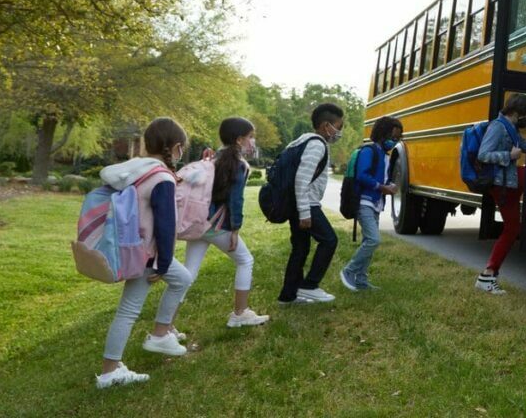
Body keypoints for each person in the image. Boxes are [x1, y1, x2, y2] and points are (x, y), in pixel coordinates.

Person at [96, 117, 195, 389]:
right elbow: (165, 225)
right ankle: (114, 369)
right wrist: (163, 263)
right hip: (147, 254)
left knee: (182, 279)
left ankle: (157, 336)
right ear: (176, 148)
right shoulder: (162, 178)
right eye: (182, 148)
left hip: (132, 247)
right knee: (129, 310)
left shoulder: (136, 170)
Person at [178, 117, 269, 328]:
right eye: (250, 137)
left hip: (200, 222)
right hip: (218, 225)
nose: (253, 141)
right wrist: (235, 229)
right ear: (239, 140)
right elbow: (235, 200)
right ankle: (240, 313)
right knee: (245, 261)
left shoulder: (212, 159)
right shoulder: (238, 165)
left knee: (189, 272)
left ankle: (166, 327)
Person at [278, 103, 343, 304]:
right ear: (326, 126)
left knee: (300, 248)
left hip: (295, 203)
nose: (339, 132)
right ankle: (309, 286)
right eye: (338, 127)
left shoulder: (300, 141)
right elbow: (301, 180)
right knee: (329, 240)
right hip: (307, 204)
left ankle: (288, 296)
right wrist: (305, 212)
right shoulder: (317, 145)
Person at [474, 93, 526, 295]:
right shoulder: (498, 127)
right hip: (501, 184)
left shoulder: (511, 129)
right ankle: (487, 276)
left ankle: (488, 275)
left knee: (512, 228)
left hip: (509, 181)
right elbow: (483, 154)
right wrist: (509, 155)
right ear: (517, 112)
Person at [340, 116, 402, 292]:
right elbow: (362, 175)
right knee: (374, 239)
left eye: (397, 138)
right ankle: (349, 271)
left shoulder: (384, 155)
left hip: (376, 203)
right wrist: (381, 187)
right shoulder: (369, 151)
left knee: (368, 240)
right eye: (392, 137)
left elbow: (382, 177)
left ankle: (361, 280)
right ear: (382, 133)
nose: (394, 141)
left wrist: (390, 186)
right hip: (364, 201)